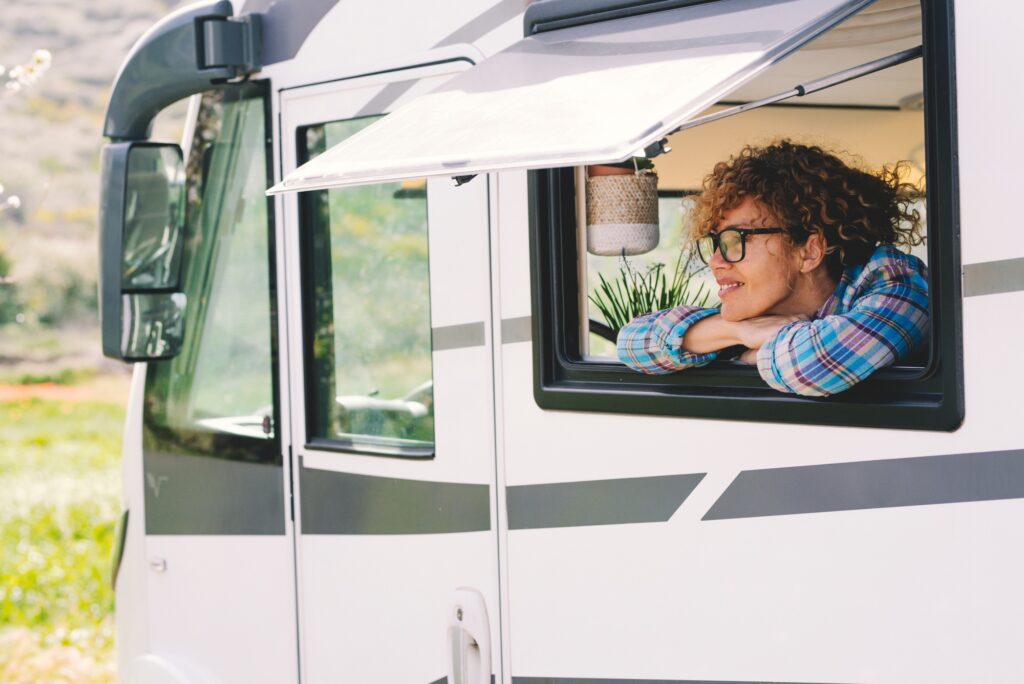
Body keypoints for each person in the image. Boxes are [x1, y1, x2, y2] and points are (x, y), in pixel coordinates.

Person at [616, 140, 928, 397]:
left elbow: (812, 367)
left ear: (808, 251)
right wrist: (736, 331)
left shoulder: (898, 282)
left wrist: (745, 352)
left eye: (735, 240)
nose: (715, 260)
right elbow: (631, 342)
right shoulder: (761, 309)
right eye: (715, 242)